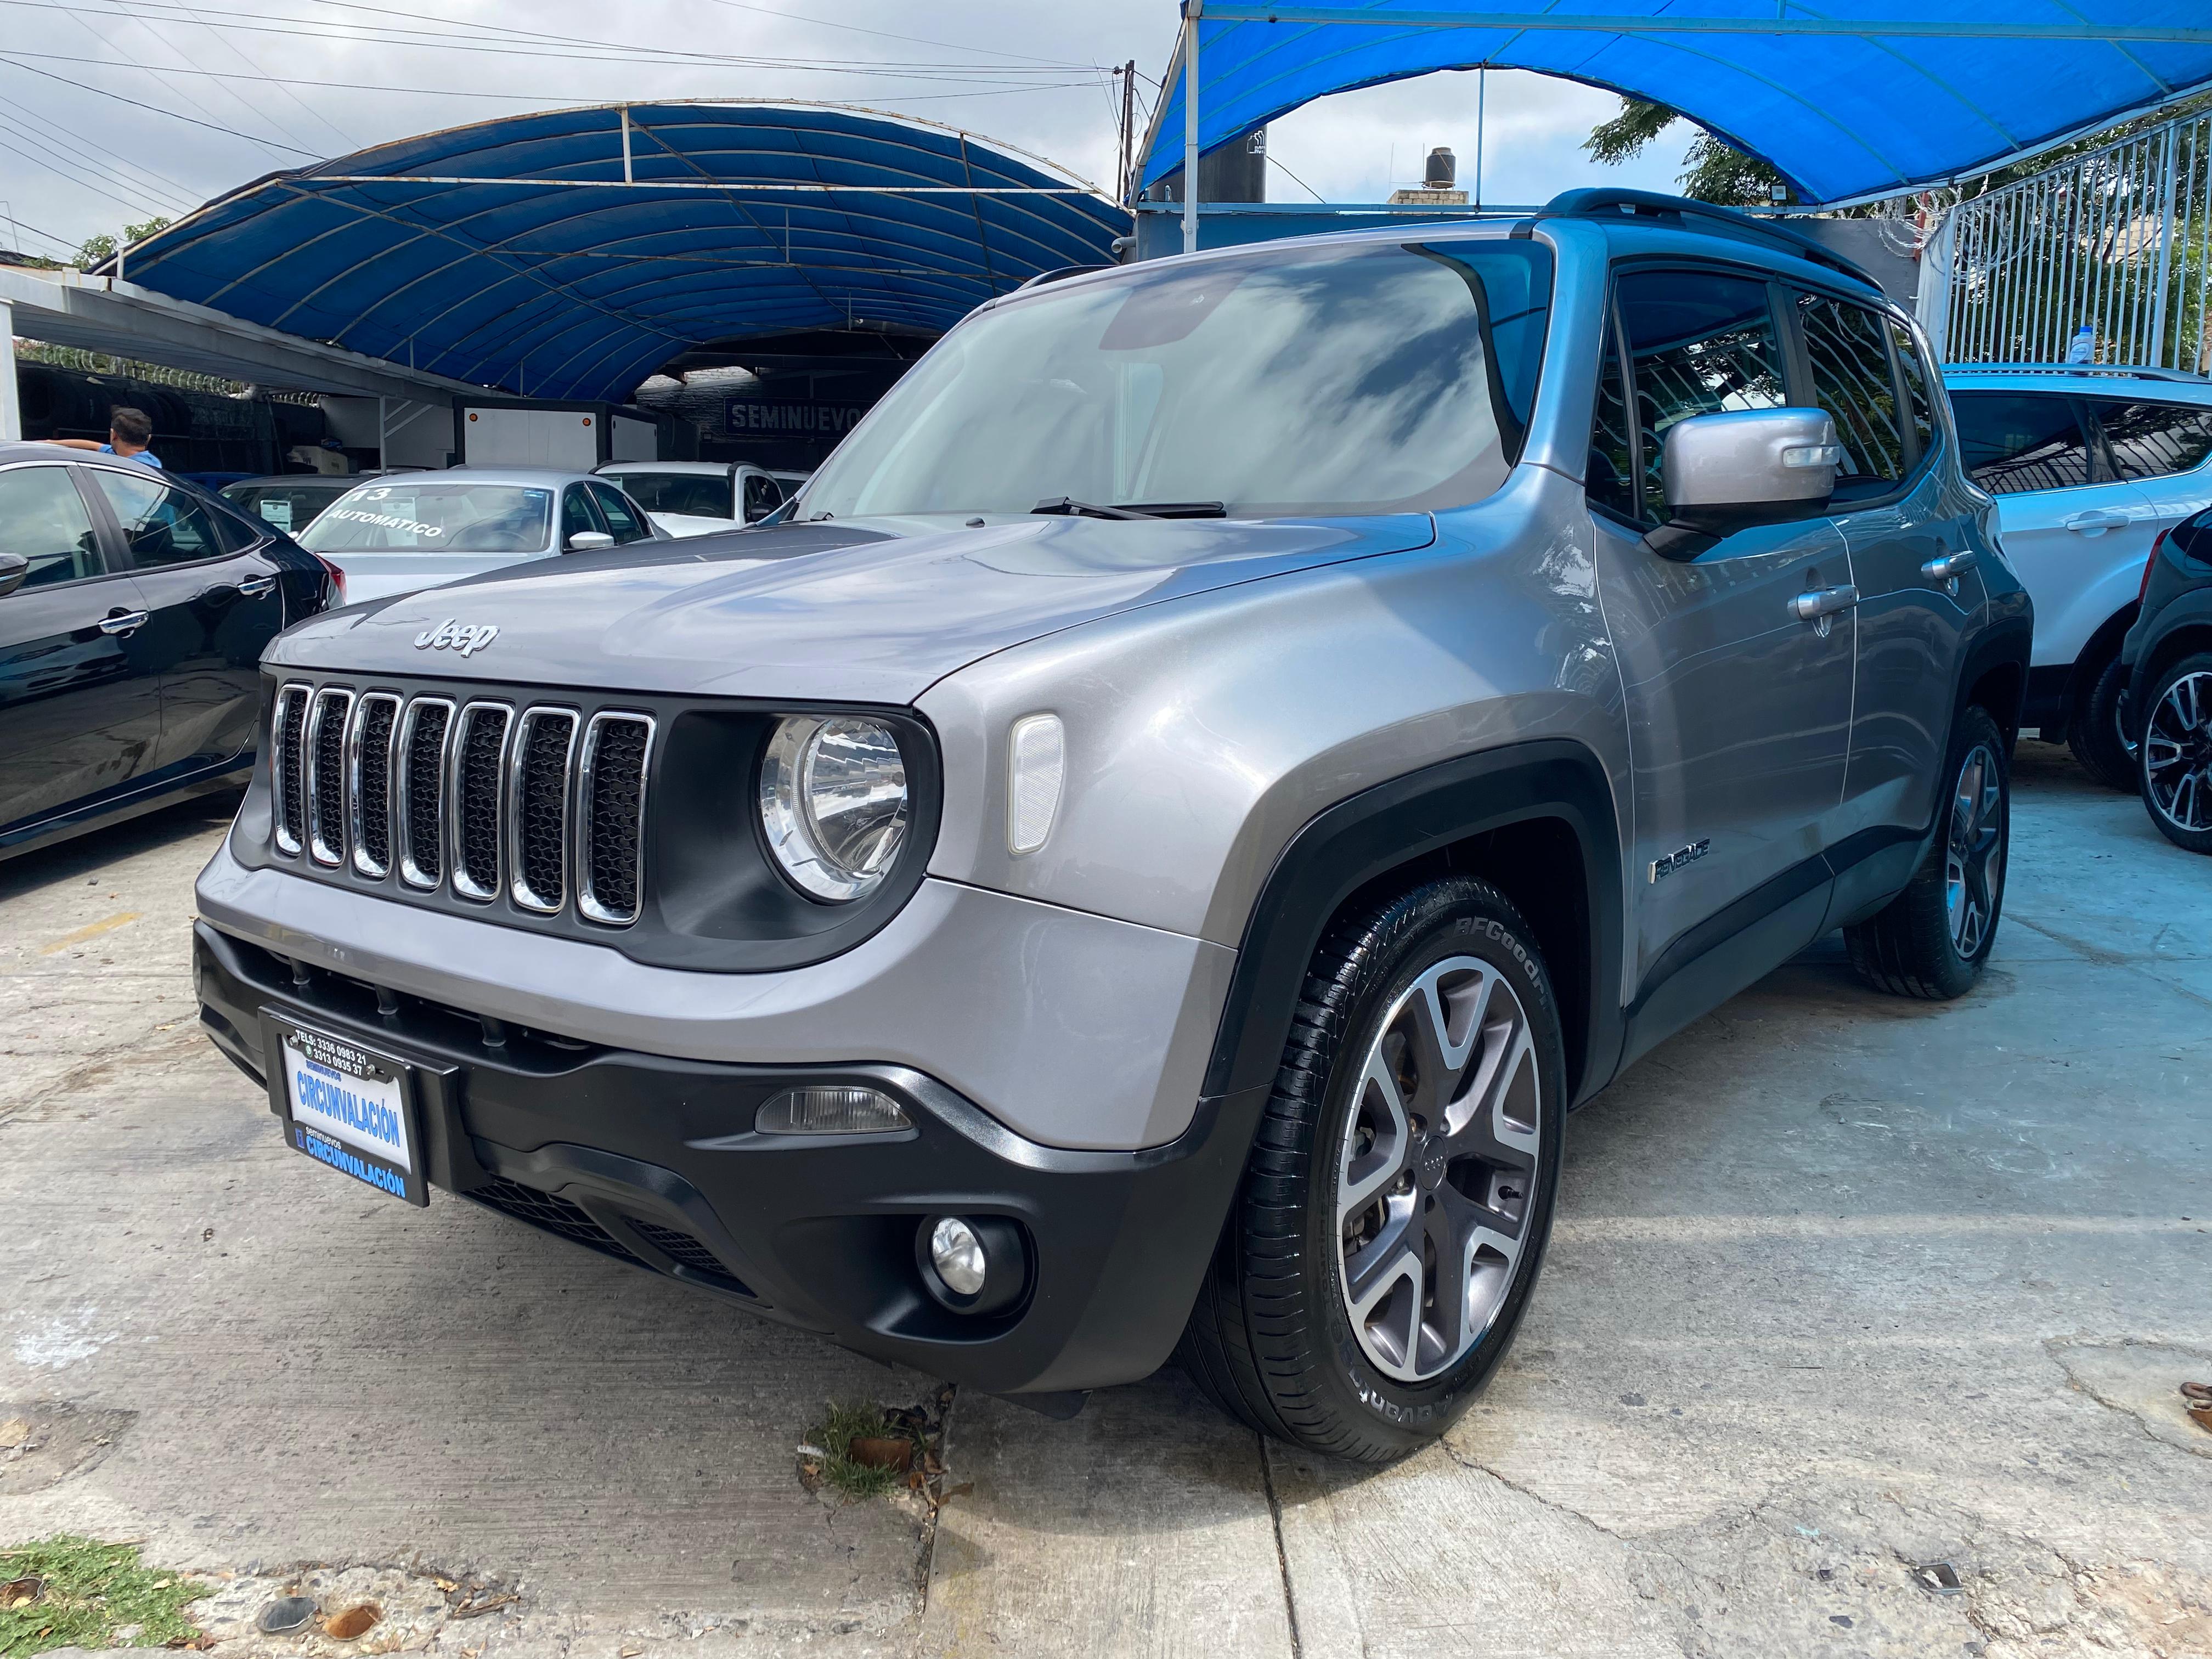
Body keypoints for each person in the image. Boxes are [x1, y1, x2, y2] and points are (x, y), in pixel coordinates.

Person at [46, 406, 163, 467]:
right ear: (149, 438)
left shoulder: (132, 468)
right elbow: (94, 446)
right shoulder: (123, 456)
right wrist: (49, 443)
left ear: (114, 435)